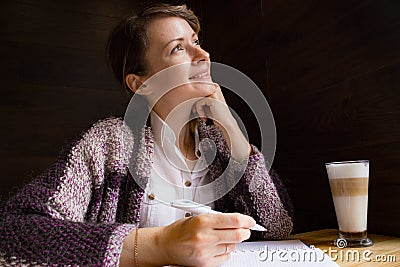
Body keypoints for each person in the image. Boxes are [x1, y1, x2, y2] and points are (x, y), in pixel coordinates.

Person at [0, 3, 293, 267]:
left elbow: (279, 228)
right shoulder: (109, 144)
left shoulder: (221, 147)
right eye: (178, 48)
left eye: (196, 42)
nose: (203, 55)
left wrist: (232, 131)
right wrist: (161, 245)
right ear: (142, 84)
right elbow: (12, 233)